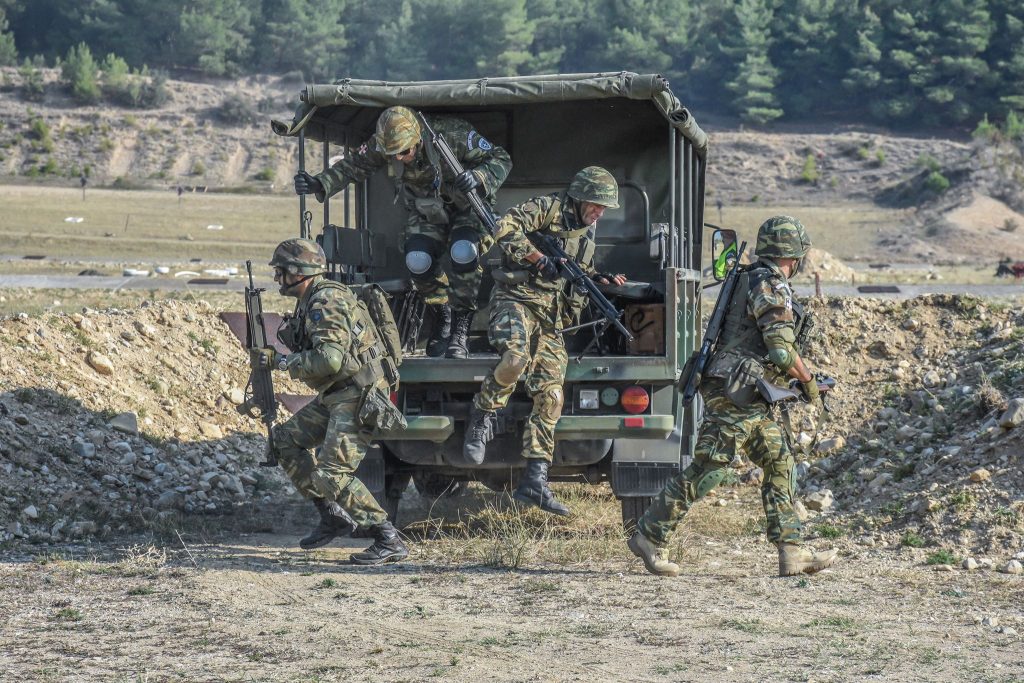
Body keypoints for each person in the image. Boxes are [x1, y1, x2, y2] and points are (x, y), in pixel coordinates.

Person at [627, 216, 837, 578]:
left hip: (743, 389)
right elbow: (782, 352)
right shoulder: (771, 285)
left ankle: (792, 550)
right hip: (736, 391)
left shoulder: (749, 277)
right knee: (711, 467)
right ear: (795, 257)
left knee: (779, 460)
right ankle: (649, 535)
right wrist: (809, 381)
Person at [462, 166, 626, 516]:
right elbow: (503, 225)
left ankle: (535, 480)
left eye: (603, 208)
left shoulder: (585, 234)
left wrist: (600, 277)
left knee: (551, 393)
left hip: (550, 318)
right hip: (514, 300)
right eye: (596, 205)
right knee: (515, 359)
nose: (599, 213)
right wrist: (537, 259)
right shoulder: (547, 208)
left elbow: (578, 269)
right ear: (580, 198)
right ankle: (483, 414)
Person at [293, 106, 512, 359]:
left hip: (469, 207)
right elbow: (355, 164)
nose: (398, 158)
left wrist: (478, 176)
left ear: (417, 140)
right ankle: (442, 313)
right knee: (417, 260)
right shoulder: (384, 143)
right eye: (392, 154)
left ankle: (461, 327)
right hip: (428, 210)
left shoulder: (453, 133)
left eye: (404, 152)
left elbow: (501, 158)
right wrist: (320, 182)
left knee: (463, 252)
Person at [251, 238, 408, 565]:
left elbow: (330, 361)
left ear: (299, 272)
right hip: (339, 394)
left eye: (281, 272)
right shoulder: (311, 299)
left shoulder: (326, 301)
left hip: (357, 395)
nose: (278, 279)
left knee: (333, 473)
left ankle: (387, 537)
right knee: (284, 441)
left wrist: (280, 363)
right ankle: (332, 516)